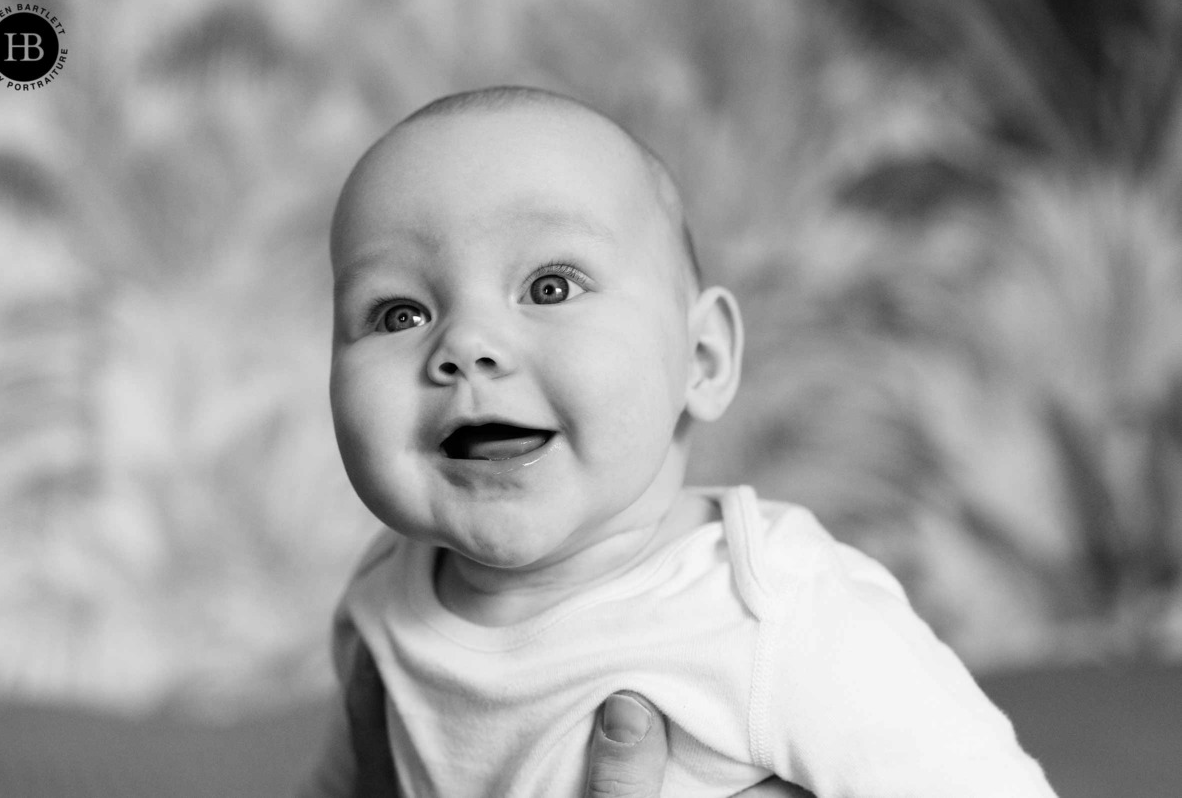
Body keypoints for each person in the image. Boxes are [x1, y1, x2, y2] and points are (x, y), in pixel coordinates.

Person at [305, 85, 1057, 797]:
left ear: (702, 359)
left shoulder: (777, 611)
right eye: (398, 313)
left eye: (550, 286)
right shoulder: (385, 591)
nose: (465, 344)